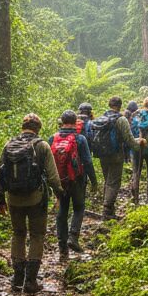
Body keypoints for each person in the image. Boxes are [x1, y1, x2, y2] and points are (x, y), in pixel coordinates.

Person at [0, 113, 63, 293]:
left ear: (22, 127)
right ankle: (31, 281)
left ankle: (17, 278)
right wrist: (59, 194)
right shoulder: (42, 146)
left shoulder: (8, 145)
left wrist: (0, 198)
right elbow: (52, 176)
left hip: (13, 199)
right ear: (38, 128)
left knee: (18, 234)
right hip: (36, 198)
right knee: (37, 235)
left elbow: (0, 174)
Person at [50, 110, 98, 259]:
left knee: (62, 210)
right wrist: (93, 180)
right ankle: (73, 237)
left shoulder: (53, 138)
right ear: (75, 121)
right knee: (79, 207)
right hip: (76, 179)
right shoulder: (80, 138)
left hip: (60, 180)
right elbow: (88, 162)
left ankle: (62, 248)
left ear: (62, 121)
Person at [88, 96, 140, 220]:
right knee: (114, 182)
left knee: (107, 180)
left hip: (102, 154)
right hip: (116, 154)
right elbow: (128, 139)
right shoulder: (121, 119)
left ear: (109, 104)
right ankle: (107, 210)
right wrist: (138, 146)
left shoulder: (101, 118)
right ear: (120, 106)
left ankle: (110, 210)